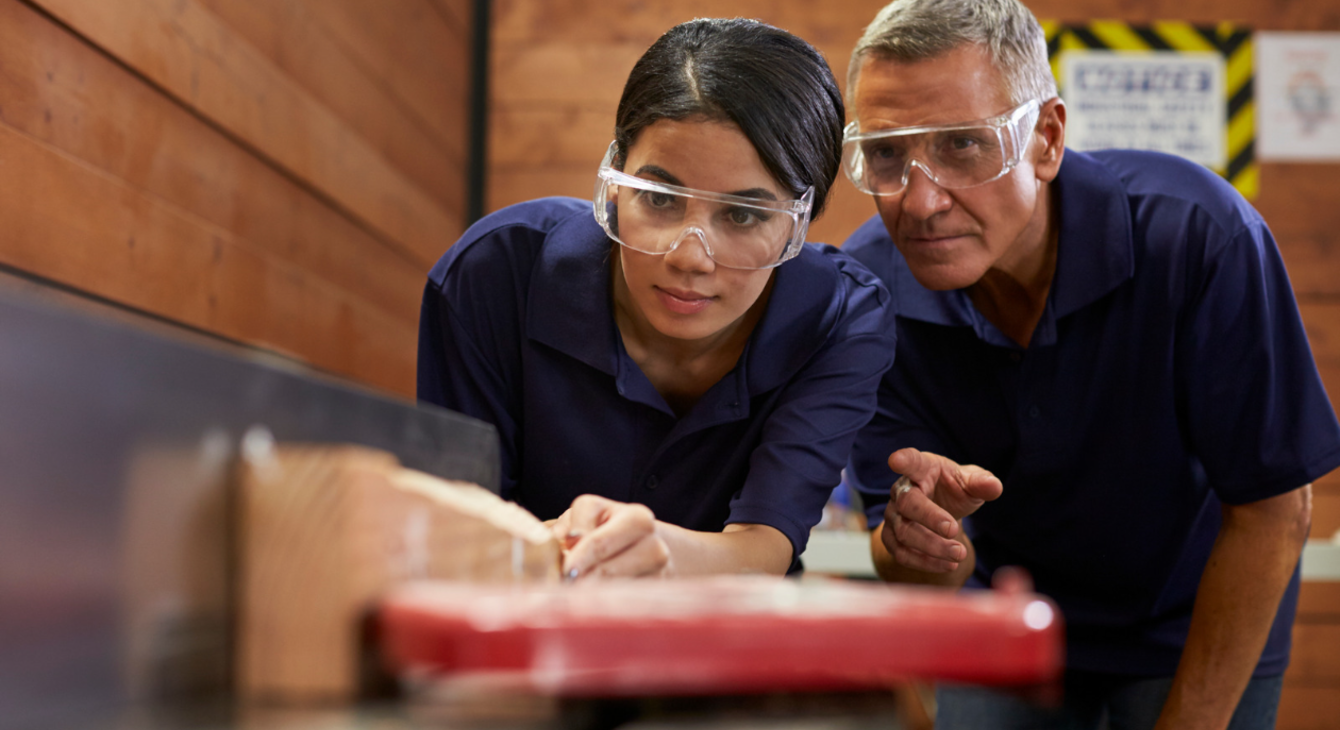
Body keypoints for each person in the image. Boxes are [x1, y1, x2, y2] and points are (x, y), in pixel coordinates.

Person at [839, 1, 1340, 728]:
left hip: (1194, 617)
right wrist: (925, 545)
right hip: (1007, 617)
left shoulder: (1199, 238)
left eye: (963, 146)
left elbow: (1273, 509)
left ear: (1046, 139)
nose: (919, 201)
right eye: (887, 153)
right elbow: (903, 558)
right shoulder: (868, 293)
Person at [418, 18, 894, 581]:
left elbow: (766, 545)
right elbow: (452, 533)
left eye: (743, 215)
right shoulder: (494, 274)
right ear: (616, 179)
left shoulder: (842, 318)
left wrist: (653, 553)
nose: (690, 257)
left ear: (801, 224)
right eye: (661, 200)